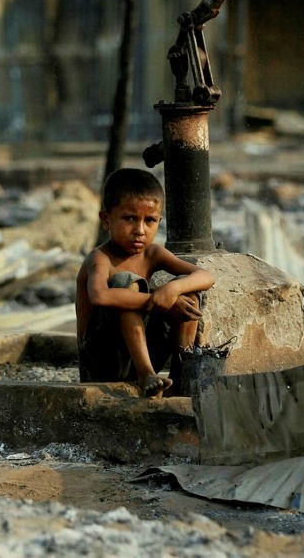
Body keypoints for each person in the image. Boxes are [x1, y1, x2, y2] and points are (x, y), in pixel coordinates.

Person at [75, 168, 215, 397]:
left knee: (188, 294)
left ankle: (180, 379)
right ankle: (146, 374)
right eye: (129, 218)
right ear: (106, 219)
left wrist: (173, 290)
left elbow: (206, 276)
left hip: (137, 350)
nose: (140, 230)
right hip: (101, 362)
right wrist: (157, 298)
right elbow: (100, 296)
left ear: (159, 221)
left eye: (149, 220)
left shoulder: (153, 254)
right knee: (127, 285)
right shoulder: (100, 258)